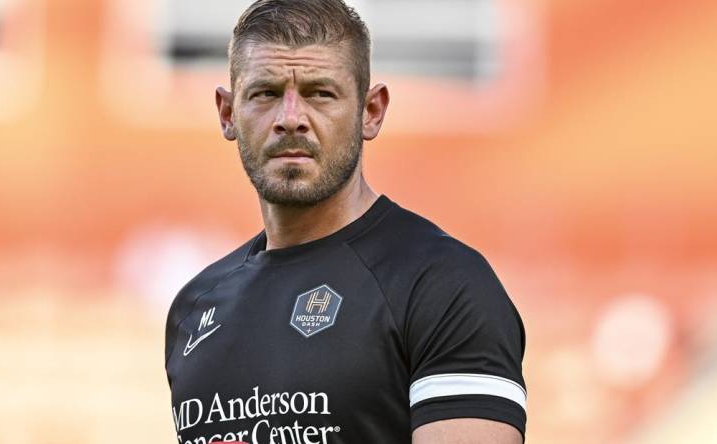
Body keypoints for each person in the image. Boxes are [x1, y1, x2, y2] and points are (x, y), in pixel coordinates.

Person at [164, 1, 526, 443]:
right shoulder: (195, 308)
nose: (290, 119)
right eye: (266, 93)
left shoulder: (441, 285)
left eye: (320, 93)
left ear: (371, 111)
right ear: (227, 113)